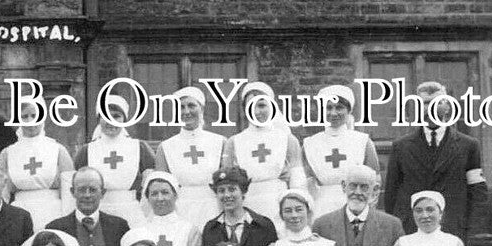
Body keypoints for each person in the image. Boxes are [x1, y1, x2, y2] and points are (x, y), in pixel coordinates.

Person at [384, 81, 488, 241]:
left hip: (453, 231)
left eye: (437, 102)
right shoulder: (401, 147)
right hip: (411, 232)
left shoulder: (468, 146)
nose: (430, 108)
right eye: (425, 103)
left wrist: (473, 234)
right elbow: (391, 194)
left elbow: (477, 193)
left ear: (447, 107)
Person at [222, 82, 307, 225]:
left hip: (278, 204)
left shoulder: (287, 139)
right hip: (246, 205)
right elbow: (226, 182)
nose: (256, 112)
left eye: (261, 105)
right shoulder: (233, 142)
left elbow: (298, 180)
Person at [73, 93, 154, 227]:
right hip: (98, 211)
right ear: (99, 119)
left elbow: (152, 184)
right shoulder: (87, 150)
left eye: (116, 116)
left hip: (131, 211)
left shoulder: (139, 147)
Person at [301, 85, 379, 217]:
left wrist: (367, 210)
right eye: (328, 108)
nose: (333, 113)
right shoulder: (310, 144)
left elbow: (375, 181)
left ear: (349, 110)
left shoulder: (362, 141)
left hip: (357, 205)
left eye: (339, 107)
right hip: (322, 207)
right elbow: (308, 183)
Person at [197, 167, 277, 246]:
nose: (227, 195)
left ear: (243, 191)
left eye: (232, 189)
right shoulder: (211, 229)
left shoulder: (263, 226)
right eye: (221, 191)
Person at [155, 86, 225, 229]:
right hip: (180, 209)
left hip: (214, 207)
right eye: (181, 107)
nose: (186, 112)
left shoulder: (220, 142)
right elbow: (162, 187)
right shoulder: (166, 147)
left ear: (202, 109)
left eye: (191, 106)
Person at [47, 167, 131, 246]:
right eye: (81, 190)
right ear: (72, 192)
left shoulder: (119, 227)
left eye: (93, 190)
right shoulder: (56, 229)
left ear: (102, 193)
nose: (87, 195)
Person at [0, 101, 73, 229]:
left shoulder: (58, 150)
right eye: (24, 116)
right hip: (19, 214)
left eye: (34, 115)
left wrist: (68, 219)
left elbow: (68, 191)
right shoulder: (7, 153)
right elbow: (2, 193)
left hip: (53, 212)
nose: (30, 121)